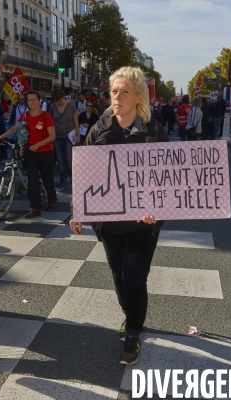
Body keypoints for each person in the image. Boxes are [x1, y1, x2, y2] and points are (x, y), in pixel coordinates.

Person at [70, 66, 169, 366]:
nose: (117, 96)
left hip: (143, 223)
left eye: (125, 91)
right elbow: (84, 171)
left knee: (135, 277)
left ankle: (134, 333)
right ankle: (130, 316)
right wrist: (78, 208)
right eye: (114, 91)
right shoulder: (99, 129)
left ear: (139, 97)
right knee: (118, 274)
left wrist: (158, 209)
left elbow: (167, 179)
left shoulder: (154, 133)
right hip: (109, 221)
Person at [0, 90, 58, 218]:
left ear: (39, 101)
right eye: (29, 100)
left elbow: (52, 136)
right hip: (29, 152)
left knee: (47, 178)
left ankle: (52, 200)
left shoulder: (46, 116)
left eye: (34, 99)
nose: (32, 102)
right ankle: (36, 207)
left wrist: (38, 145)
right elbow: (14, 128)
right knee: (32, 180)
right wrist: (0, 137)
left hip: (46, 153)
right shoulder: (24, 115)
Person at [49, 89, 80, 188]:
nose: (58, 102)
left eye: (59, 99)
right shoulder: (52, 107)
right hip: (57, 137)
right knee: (60, 159)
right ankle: (63, 179)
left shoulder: (71, 107)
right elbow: (50, 122)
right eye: (56, 100)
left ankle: (72, 177)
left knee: (69, 159)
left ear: (63, 97)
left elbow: (76, 123)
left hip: (69, 136)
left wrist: (78, 135)